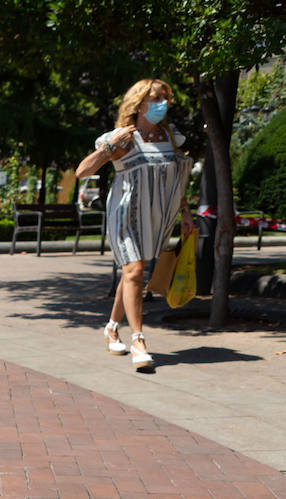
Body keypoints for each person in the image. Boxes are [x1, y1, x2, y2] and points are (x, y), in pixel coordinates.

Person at [75, 78, 194, 372]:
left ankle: (112, 328)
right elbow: (82, 171)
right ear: (139, 103)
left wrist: (186, 213)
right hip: (125, 216)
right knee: (135, 271)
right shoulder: (122, 137)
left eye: (165, 98)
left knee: (133, 274)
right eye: (155, 98)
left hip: (155, 218)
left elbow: (176, 179)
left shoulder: (169, 135)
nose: (162, 104)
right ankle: (138, 341)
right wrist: (109, 148)